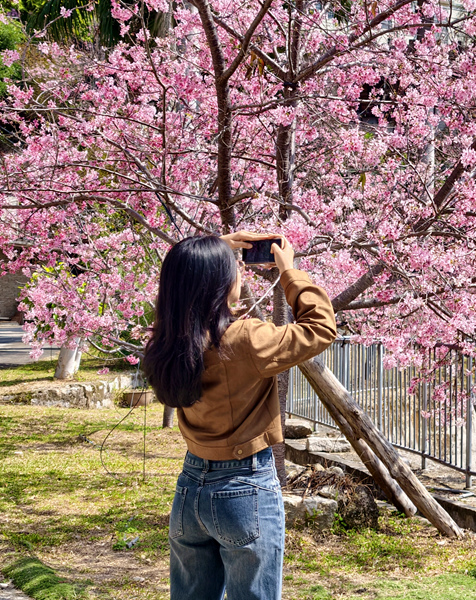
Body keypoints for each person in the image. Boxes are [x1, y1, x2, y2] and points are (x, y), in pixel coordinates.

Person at [142, 232, 337, 600]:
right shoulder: (243, 339)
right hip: (244, 487)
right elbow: (321, 328)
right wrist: (291, 272)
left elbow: (180, 277)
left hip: (190, 489)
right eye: (233, 266)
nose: (241, 271)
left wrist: (217, 245)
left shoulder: (167, 342)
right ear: (217, 283)